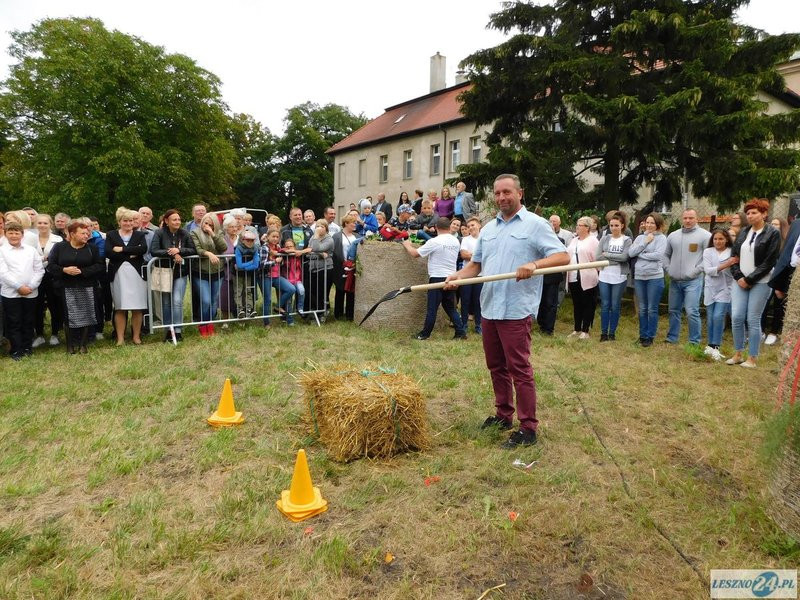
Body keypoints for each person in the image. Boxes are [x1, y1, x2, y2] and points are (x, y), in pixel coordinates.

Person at [445, 174, 569, 448]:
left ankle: (528, 428)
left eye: (507, 192)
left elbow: (563, 256)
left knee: (519, 369)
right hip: (489, 308)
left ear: (519, 193)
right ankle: (504, 415)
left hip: (516, 309)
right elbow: (475, 266)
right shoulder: (488, 229)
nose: (502, 197)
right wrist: (457, 276)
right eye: (497, 193)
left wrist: (535, 265)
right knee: (496, 366)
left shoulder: (536, 225)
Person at [727, 198, 780, 368]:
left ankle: (752, 358)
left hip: (761, 282)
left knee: (753, 319)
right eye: (748, 213)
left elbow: (769, 262)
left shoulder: (773, 233)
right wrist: (739, 278)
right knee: (736, 316)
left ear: (764, 214)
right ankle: (738, 353)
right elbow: (734, 258)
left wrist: (750, 280)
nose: (749, 216)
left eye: (754, 212)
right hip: (740, 281)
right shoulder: (743, 232)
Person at [402, 217, 466, 341]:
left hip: (437, 278)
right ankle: (460, 331)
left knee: (432, 308)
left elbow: (415, 254)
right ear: (449, 227)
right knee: (450, 307)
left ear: (436, 228)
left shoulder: (434, 242)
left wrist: (407, 245)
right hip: (450, 278)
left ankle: (424, 334)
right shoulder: (455, 242)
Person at [47, 220, 105, 353]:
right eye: (83, 233)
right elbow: (51, 265)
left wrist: (83, 272)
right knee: (69, 316)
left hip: (87, 286)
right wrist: (64, 270)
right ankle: (70, 345)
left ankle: (83, 345)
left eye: (87, 233)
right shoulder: (60, 247)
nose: (86, 236)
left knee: (86, 314)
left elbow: (100, 265)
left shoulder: (92, 248)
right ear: (72, 234)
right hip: (66, 286)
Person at [664, 208, 711, 345]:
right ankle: (672, 337)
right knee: (673, 310)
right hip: (674, 280)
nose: (688, 221)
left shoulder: (705, 235)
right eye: (685, 218)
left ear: (696, 218)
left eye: (691, 218)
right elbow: (665, 255)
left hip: (693, 281)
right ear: (682, 219)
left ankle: (694, 340)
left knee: (691, 311)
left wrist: (695, 272)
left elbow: (707, 258)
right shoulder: (673, 235)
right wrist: (668, 269)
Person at [150, 209, 196, 342]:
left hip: (180, 272)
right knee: (165, 302)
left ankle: (178, 330)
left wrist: (180, 250)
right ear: (166, 221)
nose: (177, 222)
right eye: (174, 219)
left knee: (177, 301)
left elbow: (193, 249)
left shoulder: (185, 233)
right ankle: (168, 330)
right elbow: (154, 251)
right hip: (164, 272)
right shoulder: (159, 233)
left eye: (179, 219)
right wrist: (172, 253)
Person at [0, 222, 44, 360]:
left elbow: (39, 269)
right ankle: (16, 350)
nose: (14, 236)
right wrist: (18, 286)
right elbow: (3, 272)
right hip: (11, 293)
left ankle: (27, 347)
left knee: (28, 320)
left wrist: (31, 286)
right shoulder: (2, 251)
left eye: (17, 233)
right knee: (14, 322)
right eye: (10, 233)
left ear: (22, 235)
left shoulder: (30, 250)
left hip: (31, 292)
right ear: (6, 234)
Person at [106, 207, 148, 346]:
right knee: (120, 307)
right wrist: (131, 253)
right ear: (119, 222)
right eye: (125, 221)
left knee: (137, 307)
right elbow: (109, 253)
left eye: (131, 221)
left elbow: (142, 249)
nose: (128, 223)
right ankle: (120, 338)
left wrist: (122, 249)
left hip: (136, 274)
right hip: (118, 274)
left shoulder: (139, 235)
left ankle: (136, 337)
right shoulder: (111, 235)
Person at [628, 213, 668, 347]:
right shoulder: (640, 238)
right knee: (643, 308)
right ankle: (642, 335)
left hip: (654, 277)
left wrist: (641, 254)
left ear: (658, 224)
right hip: (640, 276)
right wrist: (645, 242)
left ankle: (650, 336)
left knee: (652, 308)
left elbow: (658, 256)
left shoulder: (662, 238)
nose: (649, 225)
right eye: (647, 222)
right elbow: (631, 253)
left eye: (652, 223)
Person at [189, 213, 227, 337]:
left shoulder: (219, 233)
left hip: (217, 271)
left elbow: (223, 247)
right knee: (205, 301)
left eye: (211, 224)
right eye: (206, 223)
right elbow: (198, 249)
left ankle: (210, 325)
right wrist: (209, 254)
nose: (207, 226)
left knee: (213, 301)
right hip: (201, 271)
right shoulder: (195, 232)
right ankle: (203, 324)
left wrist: (212, 233)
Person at [596, 213, 631, 341]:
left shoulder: (627, 240)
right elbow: (598, 257)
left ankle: (612, 333)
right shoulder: (604, 239)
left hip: (619, 277)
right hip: (605, 276)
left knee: (615, 305)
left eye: (616, 225)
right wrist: (616, 258)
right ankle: (604, 333)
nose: (614, 228)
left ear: (622, 226)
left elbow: (625, 257)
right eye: (611, 225)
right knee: (605, 304)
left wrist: (608, 255)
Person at [702, 228, 736, 361]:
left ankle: (716, 346)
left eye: (721, 238)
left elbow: (733, 270)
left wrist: (728, 264)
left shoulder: (731, 252)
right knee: (710, 317)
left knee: (718, 317)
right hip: (710, 288)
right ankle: (710, 346)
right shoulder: (707, 251)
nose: (718, 241)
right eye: (715, 239)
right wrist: (726, 264)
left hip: (726, 289)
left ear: (726, 239)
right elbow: (708, 270)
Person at [32, 214, 63, 348]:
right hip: (35, 276)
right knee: (37, 306)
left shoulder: (58, 239)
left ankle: (55, 334)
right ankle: (39, 335)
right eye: (40, 223)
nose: (42, 225)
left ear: (51, 224)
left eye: (45, 223)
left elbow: (59, 258)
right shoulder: (29, 239)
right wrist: (42, 259)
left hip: (52, 275)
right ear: (35, 224)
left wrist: (47, 259)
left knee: (54, 304)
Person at [566, 217, 600, 339]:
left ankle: (585, 330)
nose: (577, 227)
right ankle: (576, 328)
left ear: (587, 228)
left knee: (588, 303)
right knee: (577, 303)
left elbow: (597, 260)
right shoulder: (574, 240)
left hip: (587, 277)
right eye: (577, 225)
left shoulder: (593, 241)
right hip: (573, 276)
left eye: (580, 225)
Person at [763, 217, 790, 345]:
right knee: (764, 304)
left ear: (782, 226)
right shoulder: (767, 239)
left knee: (778, 306)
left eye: (776, 224)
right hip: (766, 277)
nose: (773, 226)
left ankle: (774, 332)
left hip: (780, 278)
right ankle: (761, 331)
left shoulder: (786, 242)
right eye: (772, 224)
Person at [261, 228, 296, 325]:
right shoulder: (265, 248)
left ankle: (278, 306)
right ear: (268, 237)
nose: (275, 239)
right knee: (267, 299)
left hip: (276, 276)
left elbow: (281, 260)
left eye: (277, 237)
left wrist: (281, 260)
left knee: (291, 289)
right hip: (266, 276)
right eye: (273, 236)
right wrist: (274, 261)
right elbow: (262, 264)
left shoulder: (278, 247)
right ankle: (266, 322)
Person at [459, 217, 483, 335]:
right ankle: (464, 324)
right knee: (465, 300)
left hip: (481, 275)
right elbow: (464, 255)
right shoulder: (465, 240)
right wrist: (478, 256)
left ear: (479, 225)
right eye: (468, 227)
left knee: (478, 301)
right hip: (467, 275)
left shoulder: (485, 239)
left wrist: (472, 255)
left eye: (473, 225)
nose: (470, 228)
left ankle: (479, 325)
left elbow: (487, 254)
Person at [332, 215, 358, 321]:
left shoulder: (357, 235)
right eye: (352, 222)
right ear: (346, 223)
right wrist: (343, 263)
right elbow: (335, 251)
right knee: (340, 289)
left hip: (353, 266)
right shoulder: (337, 236)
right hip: (340, 265)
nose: (354, 224)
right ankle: (338, 314)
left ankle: (350, 314)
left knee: (351, 290)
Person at [309, 219, 334, 319]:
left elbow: (314, 248)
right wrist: (319, 254)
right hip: (314, 268)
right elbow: (308, 252)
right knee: (314, 291)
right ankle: (316, 312)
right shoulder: (312, 238)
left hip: (325, 268)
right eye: (317, 227)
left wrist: (316, 237)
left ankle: (323, 313)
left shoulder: (329, 239)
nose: (319, 229)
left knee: (322, 292)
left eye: (322, 227)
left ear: (326, 229)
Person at [234, 229, 260, 319]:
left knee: (248, 290)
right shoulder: (238, 248)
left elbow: (256, 265)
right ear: (242, 240)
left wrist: (245, 266)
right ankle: (239, 309)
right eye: (248, 240)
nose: (250, 242)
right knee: (238, 290)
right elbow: (239, 264)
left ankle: (249, 309)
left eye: (252, 240)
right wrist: (251, 262)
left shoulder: (255, 248)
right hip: (237, 274)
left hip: (247, 273)